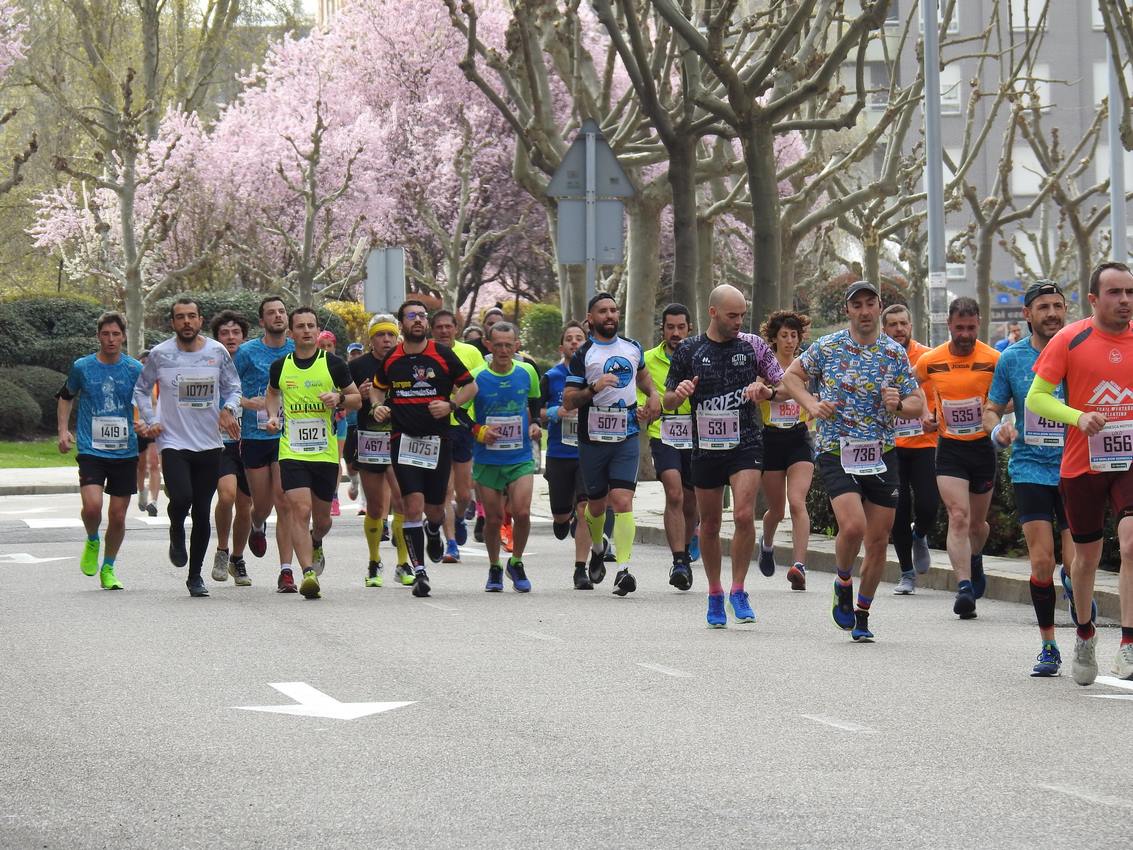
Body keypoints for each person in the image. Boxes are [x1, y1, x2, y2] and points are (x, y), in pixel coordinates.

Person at [782, 281, 924, 642]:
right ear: (848, 311)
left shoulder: (893, 353)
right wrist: (812, 405)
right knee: (854, 526)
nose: (864, 311)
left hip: (881, 452)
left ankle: (862, 613)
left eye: (870, 304)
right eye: (856, 305)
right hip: (836, 449)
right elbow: (791, 376)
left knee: (878, 541)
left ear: (879, 308)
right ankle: (843, 578)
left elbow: (916, 403)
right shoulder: (828, 347)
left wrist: (897, 404)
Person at [1027, 261, 1133, 685]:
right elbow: (1037, 399)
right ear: (1093, 299)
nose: (1124, 300)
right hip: (1083, 462)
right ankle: (1086, 633)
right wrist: (1077, 416)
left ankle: (1128, 643)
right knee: (1084, 559)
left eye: (1129, 292)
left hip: (1129, 458)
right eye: (1115, 293)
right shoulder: (1071, 339)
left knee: (1131, 545)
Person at [665, 285, 782, 626]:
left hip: (746, 442)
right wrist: (681, 393)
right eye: (733, 315)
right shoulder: (689, 349)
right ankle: (715, 592)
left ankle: (739, 588)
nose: (739, 321)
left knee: (744, 515)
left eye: (742, 315)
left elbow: (786, 384)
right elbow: (668, 400)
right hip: (706, 448)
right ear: (713, 312)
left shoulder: (754, 345)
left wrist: (767, 390)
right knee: (711, 523)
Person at [984, 280, 1076, 676]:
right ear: (1028, 314)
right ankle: (1049, 646)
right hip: (1030, 467)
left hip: (1077, 466)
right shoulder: (1013, 359)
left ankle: (1077, 587)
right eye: (1044, 307)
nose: (1052, 313)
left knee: (1075, 564)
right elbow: (992, 407)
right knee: (1042, 561)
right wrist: (997, 430)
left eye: (1058, 305)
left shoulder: (1080, 352)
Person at [134, 297, 242, 597]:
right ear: (173, 323)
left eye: (191, 316)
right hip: (173, 440)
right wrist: (151, 418)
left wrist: (229, 409)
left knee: (202, 509)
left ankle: (195, 577)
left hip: (208, 442)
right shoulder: (160, 354)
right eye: (180, 317)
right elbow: (141, 390)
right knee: (181, 496)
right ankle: (175, 526)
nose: (186, 322)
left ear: (199, 320)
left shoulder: (216, 352)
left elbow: (233, 388)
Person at [371, 299, 478, 598]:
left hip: (438, 442)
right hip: (402, 441)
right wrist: (378, 406)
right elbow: (378, 387)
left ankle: (434, 530)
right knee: (411, 505)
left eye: (422, 316)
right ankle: (420, 572)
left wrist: (451, 404)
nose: (417, 320)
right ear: (401, 324)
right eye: (411, 316)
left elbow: (471, 386)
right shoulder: (392, 358)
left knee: (434, 508)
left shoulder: (442, 355)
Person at [562, 293, 661, 596]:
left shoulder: (632, 348)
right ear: (590, 319)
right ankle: (596, 547)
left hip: (627, 435)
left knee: (622, 501)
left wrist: (653, 398)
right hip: (592, 438)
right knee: (596, 504)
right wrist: (594, 387)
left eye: (614, 310)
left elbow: (644, 380)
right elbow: (568, 400)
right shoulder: (585, 353)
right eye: (603, 311)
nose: (610, 315)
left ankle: (623, 570)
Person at [264, 307, 361, 599]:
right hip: (292, 450)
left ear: (318, 331)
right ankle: (307, 573)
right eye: (301, 326)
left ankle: (316, 540)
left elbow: (357, 399)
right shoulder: (281, 366)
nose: (306, 330)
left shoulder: (334, 364)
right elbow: (272, 393)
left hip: (325, 453)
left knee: (322, 520)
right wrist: (272, 416)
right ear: (291, 333)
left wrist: (340, 398)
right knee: (299, 510)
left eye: (311, 326)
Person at [914, 297, 1000, 620]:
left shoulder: (993, 358)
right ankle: (964, 587)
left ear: (979, 324)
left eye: (971, 328)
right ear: (949, 325)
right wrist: (925, 413)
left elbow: (1006, 398)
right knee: (958, 516)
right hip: (949, 448)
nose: (965, 334)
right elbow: (911, 384)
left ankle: (974, 559)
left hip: (981, 448)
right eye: (959, 328)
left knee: (977, 524)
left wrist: (992, 411)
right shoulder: (932, 360)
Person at [56, 311, 143, 591]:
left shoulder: (134, 369)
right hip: (92, 448)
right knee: (93, 507)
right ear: (98, 336)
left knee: (118, 516)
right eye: (105, 334)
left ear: (123, 337)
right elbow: (66, 397)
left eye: (116, 334)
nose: (110, 339)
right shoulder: (82, 366)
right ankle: (92, 538)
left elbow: (146, 401)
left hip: (125, 451)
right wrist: (62, 430)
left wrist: (144, 422)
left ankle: (109, 566)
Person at [467, 321, 541, 592]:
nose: (503, 350)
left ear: (517, 346)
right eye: (497, 345)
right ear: (488, 345)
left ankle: (517, 561)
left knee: (521, 512)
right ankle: (495, 566)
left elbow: (535, 402)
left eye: (508, 345)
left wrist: (536, 425)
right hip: (487, 458)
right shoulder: (476, 376)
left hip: (520, 456)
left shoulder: (527, 372)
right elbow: (459, 411)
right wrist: (478, 430)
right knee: (494, 518)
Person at [233, 295, 297, 592]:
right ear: (262, 321)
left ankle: (286, 571)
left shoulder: (298, 350)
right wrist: (247, 403)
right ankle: (258, 525)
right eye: (271, 313)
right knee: (263, 504)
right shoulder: (246, 353)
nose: (278, 316)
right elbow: (228, 388)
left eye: (282, 311)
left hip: (287, 436)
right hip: (255, 435)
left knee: (284, 501)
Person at [347, 314, 413, 587]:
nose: (386, 340)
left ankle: (403, 563)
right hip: (370, 440)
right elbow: (343, 403)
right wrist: (359, 397)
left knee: (402, 502)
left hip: (401, 438)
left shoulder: (407, 361)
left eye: (390, 335)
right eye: (379, 335)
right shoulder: (357, 365)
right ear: (370, 339)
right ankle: (374, 562)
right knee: (375, 506)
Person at [881, 304, 940, 595]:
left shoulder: (927, 357)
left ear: (911, 326)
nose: (899, 329)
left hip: (923, 442)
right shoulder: (877, 358)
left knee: (930, 503)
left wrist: (935, 418)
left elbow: (940, 393)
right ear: (884, 329)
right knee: (899, 510)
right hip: (890, 446)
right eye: (892, 325)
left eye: (903, 323)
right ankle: (906, 573)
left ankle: (920, 534)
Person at [639, 303, 698, 591]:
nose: (676, 333)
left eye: (681, 327)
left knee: (691, 498)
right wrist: (644, 408)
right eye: (670, 327)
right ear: (662, 329)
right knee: (673, 492)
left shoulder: (702, 356)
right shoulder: (648, 360)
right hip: (663, 432)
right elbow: (641, 394)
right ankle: (678, 560)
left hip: (699, 435)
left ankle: (687, 546)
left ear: (690, 329)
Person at [757, 310, 813, 592]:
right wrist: (760, 390)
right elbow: (760, 392)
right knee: (777, 510)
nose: (790, 341)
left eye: (794, 335)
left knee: (797, 502)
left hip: (799, 439)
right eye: (784, 336)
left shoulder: (805, 367)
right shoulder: (765, 368)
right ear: (774, 339)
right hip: (771, 440)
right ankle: (766, 544)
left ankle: (799, 566)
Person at [542, 322, 598, 588]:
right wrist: (556, 412)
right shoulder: (551, 376)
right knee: (561, 514)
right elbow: (537, 412)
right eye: (569, 339)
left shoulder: (594, 374)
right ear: (561, 346)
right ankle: (562, 520)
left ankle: (580, 570)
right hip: (558, 452)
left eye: (579, 338)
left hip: (586, 451)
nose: (575, 342)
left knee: (585, 508)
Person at [430, 309, 486, 563]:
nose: (443, 331)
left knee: (464, 494)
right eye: (439, 327)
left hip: (463, 426)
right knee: (445, 490)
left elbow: (479, 384)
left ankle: (460, 517)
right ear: (433, 330)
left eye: (447, 327)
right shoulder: (426, 352)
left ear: (456, 329)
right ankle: (451, 543)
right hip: (436, 427)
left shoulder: (470, 353)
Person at [209, 309, 253, 587]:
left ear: (244, 337)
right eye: (224, 333)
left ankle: (238, 557)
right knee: (226, 496)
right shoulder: (208, 361)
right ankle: (222, 550)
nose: (230, 337)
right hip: (221, 441)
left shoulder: (251, 360)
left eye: (236, 332)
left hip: (251, 441)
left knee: (246, 506)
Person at [317, 330, 348, 517]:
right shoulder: (311, 365)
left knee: (335, 460)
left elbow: (351, 396)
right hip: (317, 421)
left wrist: (342, 407)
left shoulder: (339, 366)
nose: (326, 349)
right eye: (322, 346)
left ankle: (334, 497)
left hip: (338, 422)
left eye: (329, 346)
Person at [134, 349, 160, 516]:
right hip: (138, 426)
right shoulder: (134, 383)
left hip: (154, 427)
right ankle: (142, 493)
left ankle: (154, 501)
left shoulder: (159, 383)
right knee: (141, 465)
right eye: (143, 363)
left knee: (154, 463)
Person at [345, 341, 365, 509]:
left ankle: (364, 503)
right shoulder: (343, 371)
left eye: (359, 353)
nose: (356, 356)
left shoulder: (367, 371)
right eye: (353, 354)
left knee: (366, 462)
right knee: (350, 464)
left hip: (365, 424)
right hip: (348, 424)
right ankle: (354, 483)